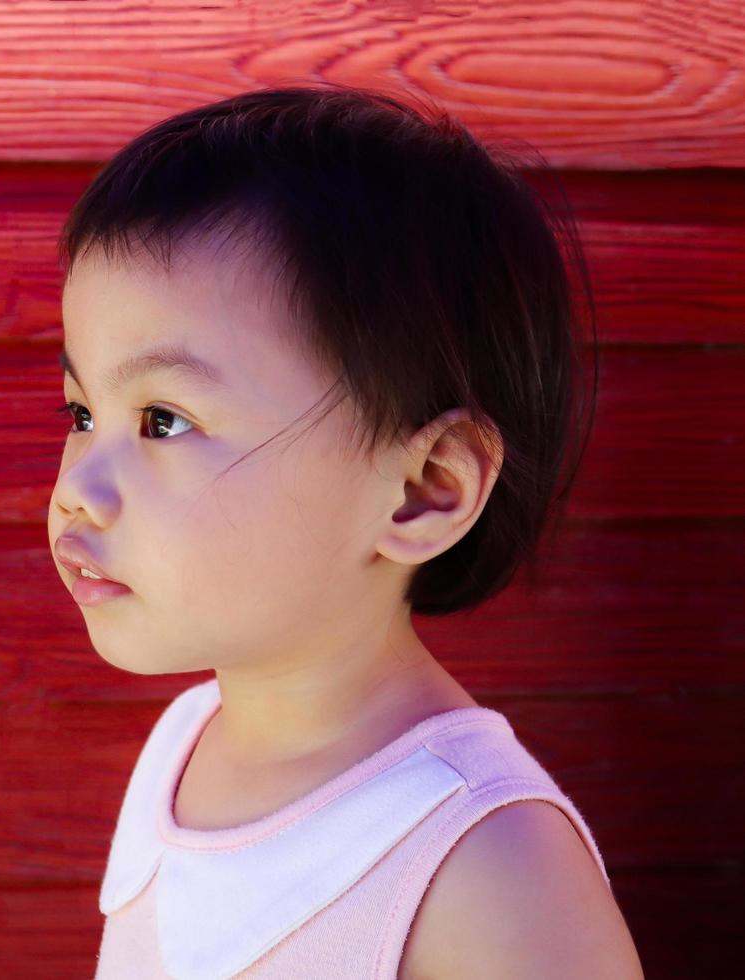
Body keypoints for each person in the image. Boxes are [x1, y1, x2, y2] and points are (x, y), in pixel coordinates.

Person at [47, 84, 644, 978]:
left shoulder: (488, 865)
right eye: (81, 410)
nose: (79, 490)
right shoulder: (183, 743)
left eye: (163, 420)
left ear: (423, 491)